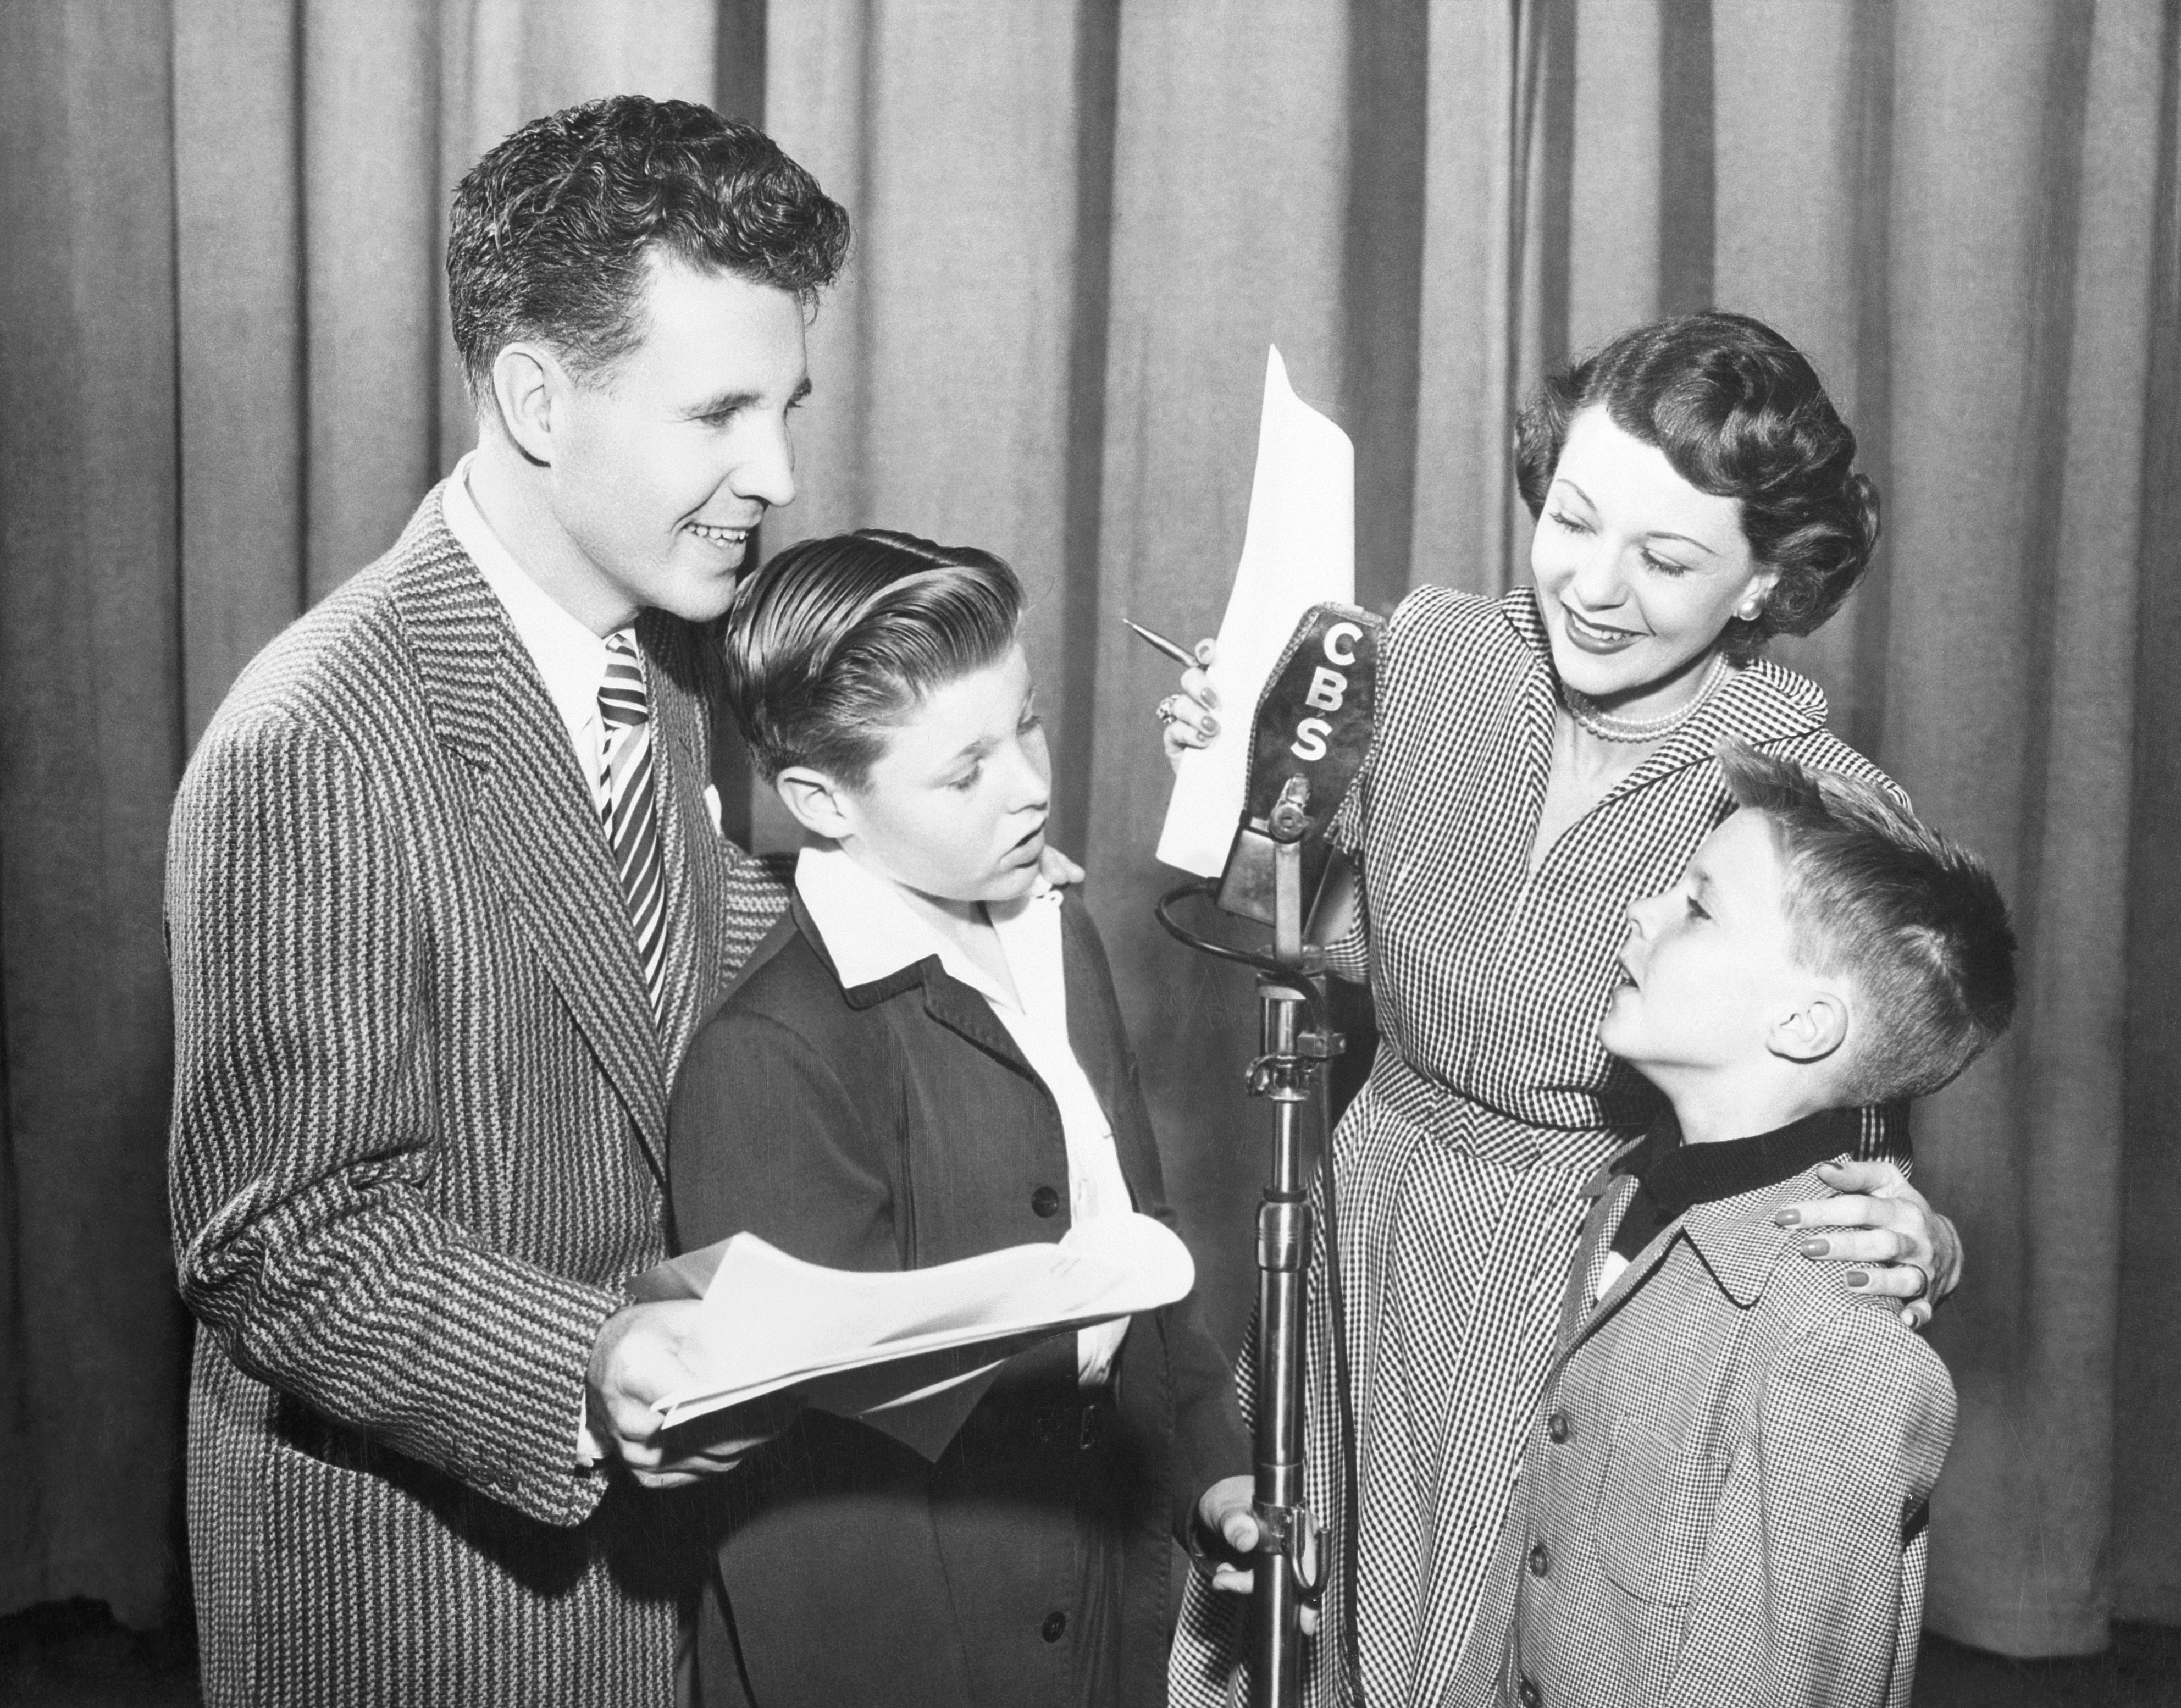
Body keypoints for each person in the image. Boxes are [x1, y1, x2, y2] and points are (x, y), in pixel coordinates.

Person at [165, 96, 859, 1708]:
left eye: (791, 403)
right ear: (538, 399)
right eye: (722, 414)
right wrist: (592, 1363)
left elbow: (674, 977)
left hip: (678, 1581)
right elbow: (283, 1234)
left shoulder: (677, 652)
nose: (781, 470)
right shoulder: (316, 738)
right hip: (445, 1609)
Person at [1163, 312, 1963, 1706]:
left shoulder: (1809, 804)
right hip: (1360, 1219)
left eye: (1662, 559)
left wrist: (1916, 1235)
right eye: (1570, 518)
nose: (1591, 586)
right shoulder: (1424, 655)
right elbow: (1319, 932)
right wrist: (1238, 786)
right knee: (1287, 1638)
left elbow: (1858, 1129)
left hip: (1581, 1287)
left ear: (1764, 583)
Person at [665, 529, 1252, 1707]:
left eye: (1025, 724)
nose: (1031, 784)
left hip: (1101, 1589)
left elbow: (1144, 1252)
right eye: (963, 768)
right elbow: (812, 1534)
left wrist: (1215, 1480)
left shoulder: (1054, 928)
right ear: (824, 802)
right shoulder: (773, 1057)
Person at [1468, 745, 2014, 1708]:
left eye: (1698, 905)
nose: (1641, 911)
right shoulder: (1617, 1202)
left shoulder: (1831, 1354)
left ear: (1805, 1024)